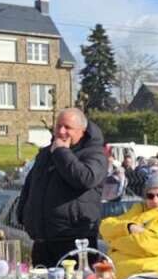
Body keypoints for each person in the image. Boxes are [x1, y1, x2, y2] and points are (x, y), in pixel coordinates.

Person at [18, 108, 108, 267]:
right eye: (58, 126)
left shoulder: (95, 153)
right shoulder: (47, 153)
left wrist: (61, 152)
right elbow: (31, 184)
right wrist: (23, 214)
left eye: (68, 127)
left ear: (82, 130)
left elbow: (85, 179)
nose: (61, 131)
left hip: (73, 240)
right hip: (42, 240)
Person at [98, 169, 158, 279]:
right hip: (115, 276)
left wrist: (114, 241)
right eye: (150, 196)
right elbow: (104, 226)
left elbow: (148, 245)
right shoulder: (138, 210)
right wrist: (128, 227)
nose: (155, 200)